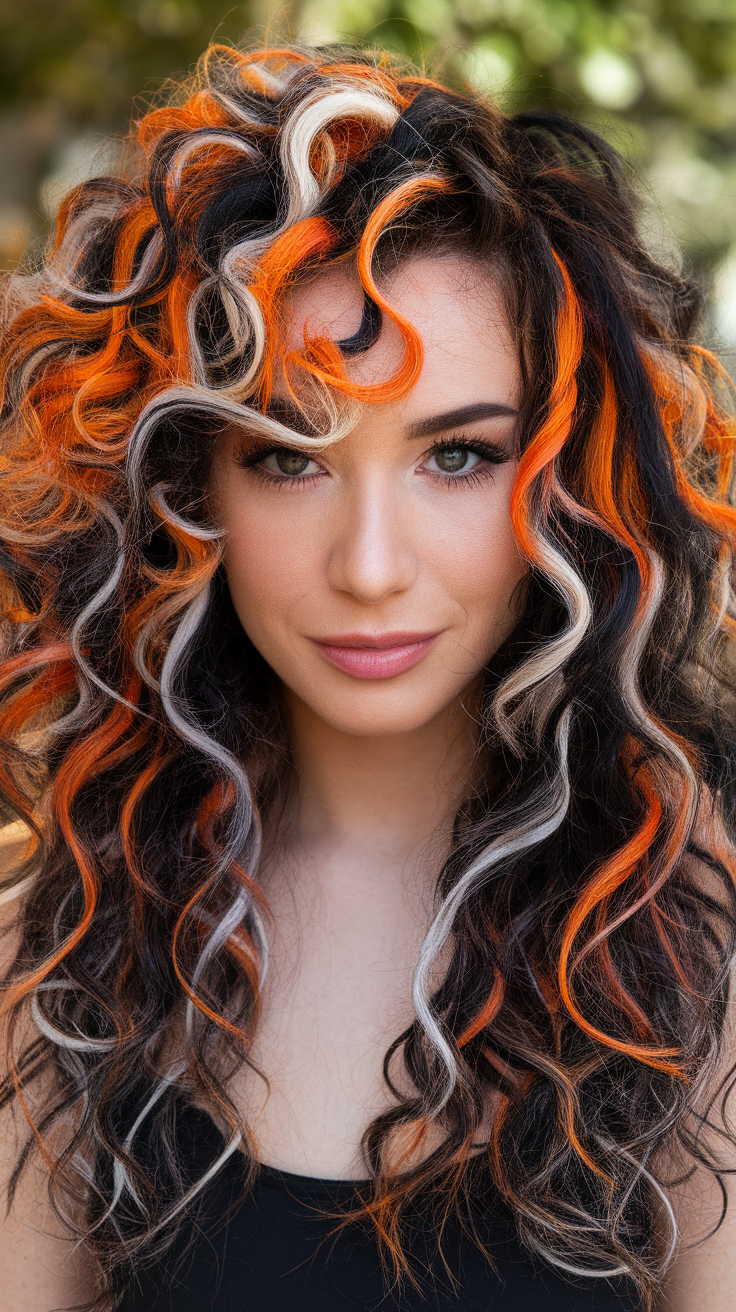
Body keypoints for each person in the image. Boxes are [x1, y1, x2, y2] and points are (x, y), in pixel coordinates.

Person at [0, 38, 735, 1312]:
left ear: (564, 482)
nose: (372, 566)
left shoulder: (684, 938)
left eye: (457, 457)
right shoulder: (64, 948)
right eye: (289, 456)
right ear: (190, 491)